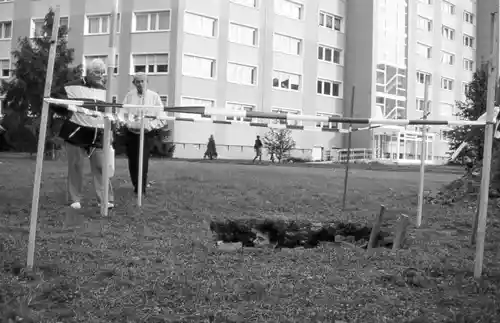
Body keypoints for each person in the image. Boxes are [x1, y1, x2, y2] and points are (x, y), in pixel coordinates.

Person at [50, 59, 114, 210]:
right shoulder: (71, 86)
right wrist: (66, 112)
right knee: (76, 166)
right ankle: (74, 199)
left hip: (98, 133)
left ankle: (105, 199)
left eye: (102, 73)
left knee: (101, 167)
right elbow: (54, 99)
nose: (100, 75)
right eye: (97, 72)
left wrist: (110, 130)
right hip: (76, 132)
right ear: (88, 72)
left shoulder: (105, 90)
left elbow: (110, 112)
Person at [120, 72, 165, 195]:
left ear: (147, 82)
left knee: (142, 160)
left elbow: (161, 117)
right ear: (134, 83)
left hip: (146, 134)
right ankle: (136, 184)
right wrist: (126, 123)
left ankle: (141, 189)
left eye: (142, 81)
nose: (140, 84)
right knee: (132, 161)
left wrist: (150, 126)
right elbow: (122, 113)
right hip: (131, 133)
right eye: (137, 81)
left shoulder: (154, 97)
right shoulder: (129, 96)